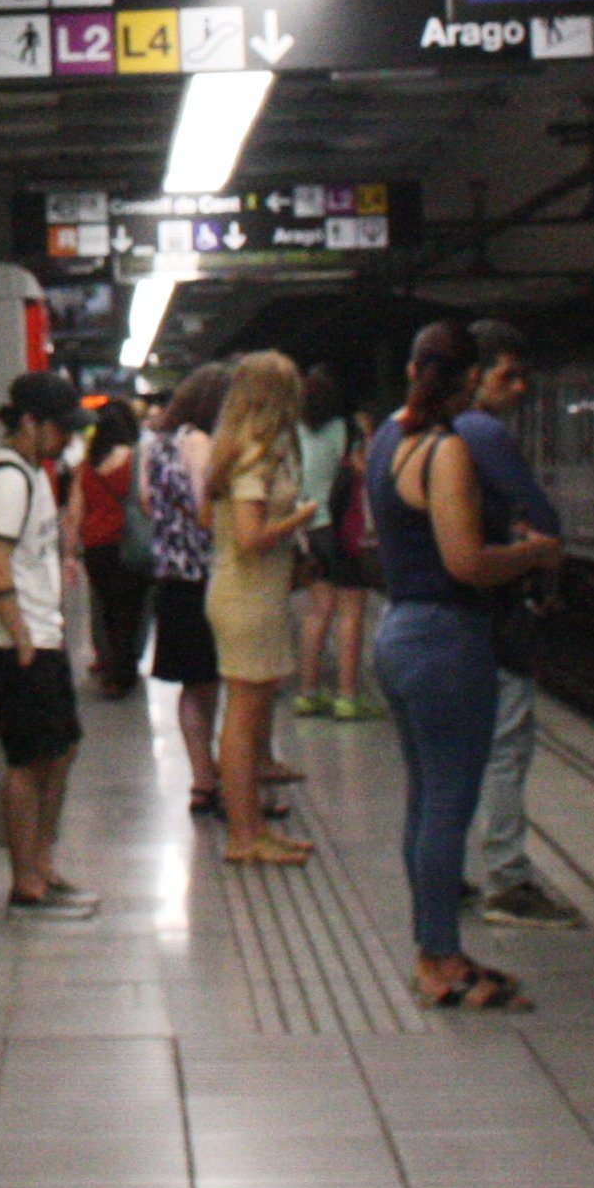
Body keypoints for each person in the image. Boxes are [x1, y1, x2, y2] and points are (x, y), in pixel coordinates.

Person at [367, 322, 563, 1008]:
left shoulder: (385, 438)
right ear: (467, 380)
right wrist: (533, 554)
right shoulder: (442, 451)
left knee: (425, 804)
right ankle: (441, 964)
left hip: (398, 634)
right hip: (446, 639)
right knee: (450, 808)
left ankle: (433, 949)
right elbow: (467, 563)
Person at [457, 322, 584, 930]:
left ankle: (447, 873)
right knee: (506, 748)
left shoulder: (414, 433)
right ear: (472, 375)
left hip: (436, 623)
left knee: (449, 757)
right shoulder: (482, 431)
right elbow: (541, 511)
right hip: (491, 619)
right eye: (506, 374)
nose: (520, 387)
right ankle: (507, 881)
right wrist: (537, 544)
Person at [0, 368, 96, 918]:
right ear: (29, 422)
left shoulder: (35, 472)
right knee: (28, 759)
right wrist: (20, 635)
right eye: (60, 427)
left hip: (41, 635)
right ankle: (26, 882)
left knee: (60, 750)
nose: (68, 438)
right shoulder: (7, 479)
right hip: (13, 644)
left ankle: (42, 865)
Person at [200, 353, 319, 868]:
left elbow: (212, 520)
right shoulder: (254, 454)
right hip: (247, 598)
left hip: (248, 594)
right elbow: (250, 539)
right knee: (244, 720)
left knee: (246, 716)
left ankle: (251, 830)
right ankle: (244, 836)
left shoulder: (234, 449)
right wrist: (300, 519)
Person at [147, 362, 230, 814]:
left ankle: (203, 776)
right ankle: (207, 776)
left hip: (170, 578)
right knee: (208, 683)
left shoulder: (157, 443)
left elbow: (145, 500)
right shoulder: (199, 442)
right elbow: (206, 510)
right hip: (202, 577)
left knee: (189, 684)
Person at [292, 367, 379, 721]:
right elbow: (367, 471)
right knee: (351, 612)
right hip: (342, 527)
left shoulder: (295, 431)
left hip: (307, 528)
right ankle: (347, 695)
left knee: (318, 611)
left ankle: (308, 693)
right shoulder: (347, 430)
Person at [77, 400, 154, 698]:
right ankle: (122, 674)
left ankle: (111, 667)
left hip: (95, 547)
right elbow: (147, 501)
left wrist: (71, 552)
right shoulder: (135, 458)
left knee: (107, 609)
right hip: (126, 544)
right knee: (130, 612)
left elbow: (76, 509)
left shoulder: (87, 465)